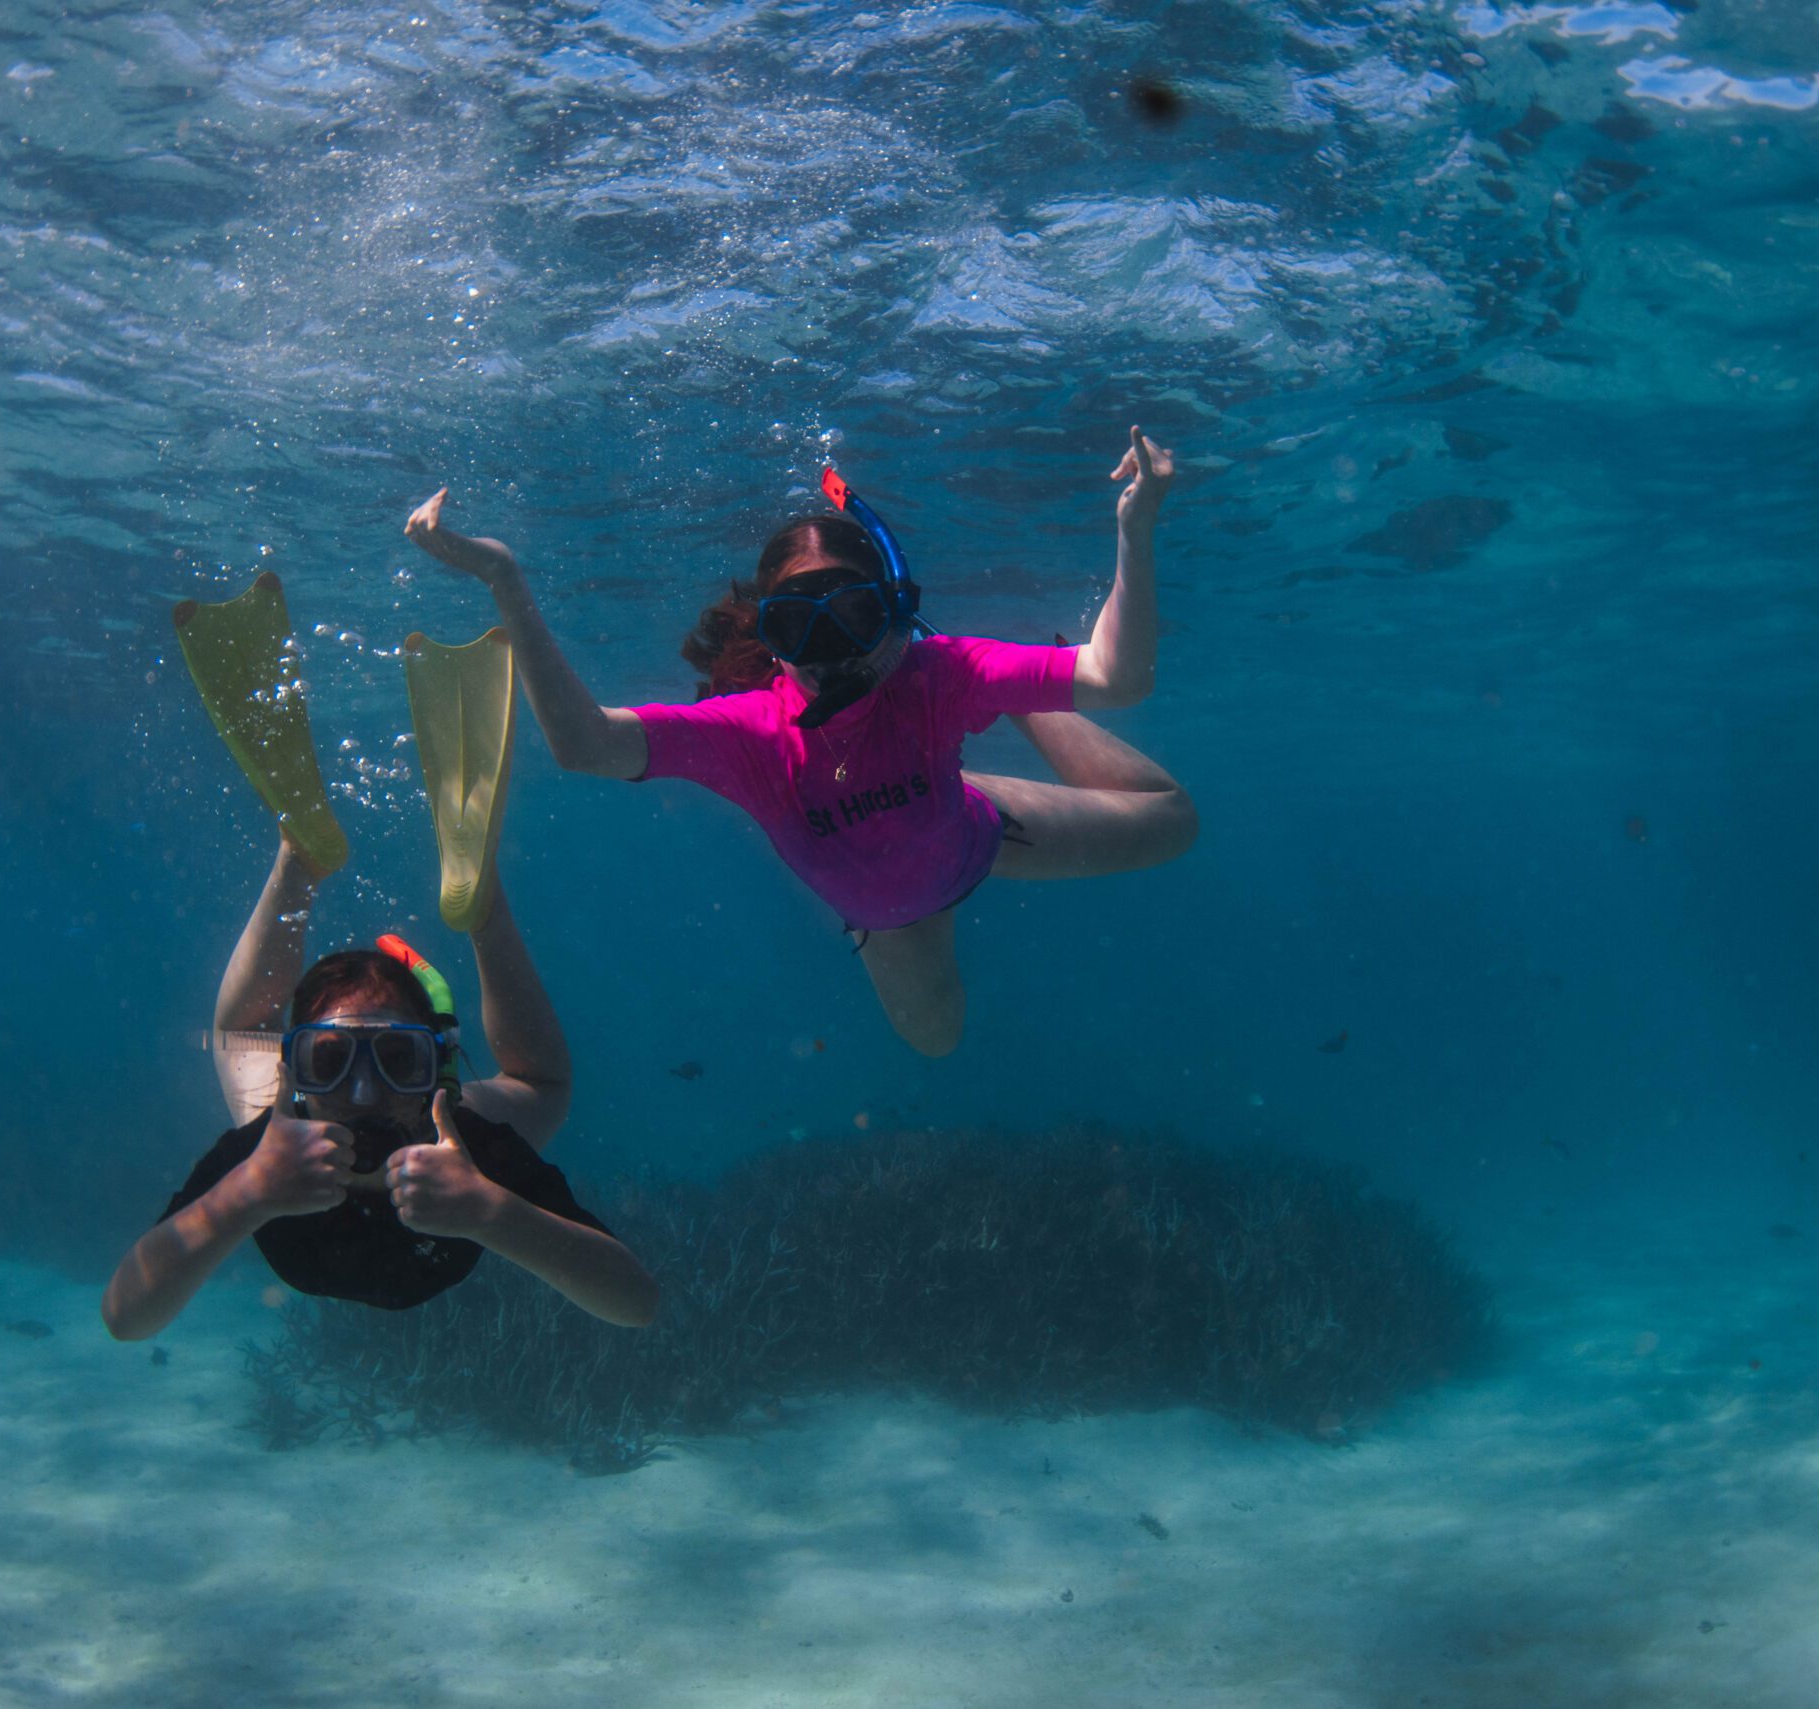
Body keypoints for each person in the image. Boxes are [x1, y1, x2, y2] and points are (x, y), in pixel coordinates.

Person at [404, 430, 1197, 1057]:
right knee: (937, 1039)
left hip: (978, 832)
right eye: (797, 624)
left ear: (888, 614)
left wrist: (1136, 527)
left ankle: (1024, 703)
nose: (826, 650)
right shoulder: (751, 733)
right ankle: (1016, 702)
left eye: (848, 618)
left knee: (1173, 819)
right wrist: (505, 579)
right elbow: (583, 744)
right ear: (770, 636)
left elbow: (1115, 677)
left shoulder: (937, 672)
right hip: (889, 912)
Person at [103, 781, 657, 1331]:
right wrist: (246, 1193)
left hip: (440, 1124)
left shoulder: (475, 1156)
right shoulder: (261, 1159)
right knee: (245, 1037)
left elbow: (637, 1304)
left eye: (398, 1059)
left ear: (436, 1067)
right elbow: (124, 1315)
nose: (363, 1093)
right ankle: (299, 858)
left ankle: (484, 907)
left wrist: (491, 1211)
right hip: (286, 1127)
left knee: (540, 1086)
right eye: (328, 1061)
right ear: (292, 1073)